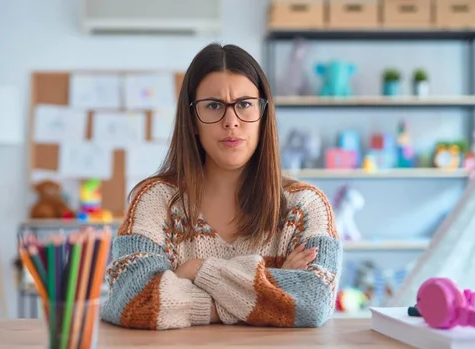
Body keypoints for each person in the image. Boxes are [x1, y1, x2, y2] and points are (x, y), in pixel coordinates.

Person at [100, 43, 342, 330]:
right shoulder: (155, 199)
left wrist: (196, 270)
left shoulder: (305, 204)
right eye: (214, 106)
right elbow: (131, 300)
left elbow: (314, 301)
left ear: (263, 116)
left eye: (245, 104)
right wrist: (272, 289)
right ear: (192, 120)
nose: (231, 122)